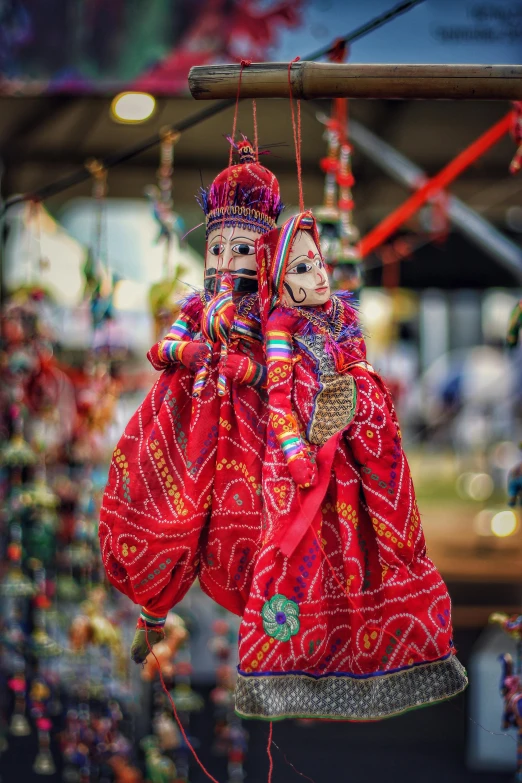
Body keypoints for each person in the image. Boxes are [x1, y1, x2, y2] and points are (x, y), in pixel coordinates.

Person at [234, 211, 468, 721]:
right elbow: (277, 396)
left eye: (316, 263)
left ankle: (403, 652)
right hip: (312, 460)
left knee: (386, 544)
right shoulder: (281, 327)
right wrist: (296, 450)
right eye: (299, 270)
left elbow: (353, 368)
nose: (317, 274)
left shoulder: (339, 319)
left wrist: (365, 407)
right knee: (306, 559)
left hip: (364, 453)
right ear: (276, 282)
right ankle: (298, 667)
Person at [99, 138, 283, 661]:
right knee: (165, 503)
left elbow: (283, 370)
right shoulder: (200, 305)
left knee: (250, 517)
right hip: (185, 415)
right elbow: (161, 350)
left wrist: (249, 368)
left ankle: (267, 625)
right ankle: (154, 609)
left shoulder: (269, 313)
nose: (226, 259)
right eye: (217, 247)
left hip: (249, 421)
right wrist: (194, 351)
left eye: (242, 249)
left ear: (265, 252)